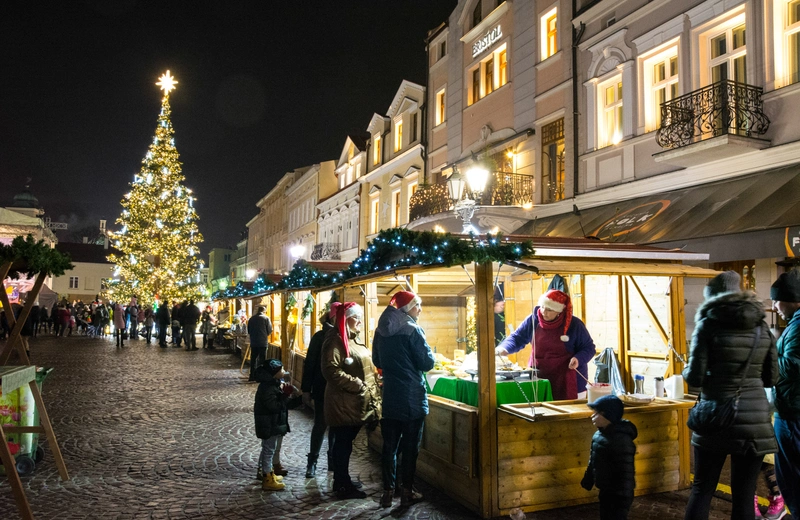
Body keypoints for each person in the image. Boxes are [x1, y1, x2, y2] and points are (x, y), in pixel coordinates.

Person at [682, 271, 778, 520]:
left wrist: (687, 369)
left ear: (711, 297)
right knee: (745, 494)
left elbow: (695, 378)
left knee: (702, 488)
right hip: (755, 422)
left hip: (716, 417)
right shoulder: (761, 326)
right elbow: (771, 378)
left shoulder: (707, 325)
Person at [372, 291, 435, 508]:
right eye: (418, 306)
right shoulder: (413, 330)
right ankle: (407, 490)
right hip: (412, 399)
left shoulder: (380, 331)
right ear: (408, 308)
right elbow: (427, 363)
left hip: (390, 396)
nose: (420, 310)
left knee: (389, 446)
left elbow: (376, 359)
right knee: (410, 447)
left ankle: (388, 491)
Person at [321, 302, 380, 500]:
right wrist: (358, 384)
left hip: (352, 402)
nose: (360, 321)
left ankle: (342, 479)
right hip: (344, 403)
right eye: (356, 317)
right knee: (343, 444)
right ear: (346, 319)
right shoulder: (335, 340)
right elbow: (331, 370)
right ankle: (342, 484)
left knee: (345, 443)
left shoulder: (352, 338)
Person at [495, 289, 597, 400]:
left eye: (549, 310)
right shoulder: (533, 320)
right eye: (542, 307)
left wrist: (578, 359)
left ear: (559, 311)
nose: (544, 312)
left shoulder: (575, 324)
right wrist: (503, 348)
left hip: (568, 378)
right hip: (540, 376)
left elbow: (589, 348)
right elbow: (517, 338)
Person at [769, 269, 800, 519]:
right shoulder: (794, 325)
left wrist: (767, 356)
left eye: (776, 300)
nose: (774, 306)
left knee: (791, 479)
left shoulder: (799, 327)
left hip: (792, 415)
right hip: (791, 410)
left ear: (791, 299)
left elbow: (792, 366)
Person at [581, 395, 637, 520]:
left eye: (597, 414)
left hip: (619, 495)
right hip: (605, 490)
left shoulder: (621, 441)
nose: (592, 416)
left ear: (609, 416)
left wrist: (624, 496)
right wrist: (588, 479)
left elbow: (626, 472)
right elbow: (594, 459)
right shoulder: (599, 435)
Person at [301, 302, 339, 478]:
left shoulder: (343, 335)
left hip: (339, 390)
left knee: (337, 427)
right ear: (332, 316)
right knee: (320, 424)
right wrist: (306, 390)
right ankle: (312, 462)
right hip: (322, 388)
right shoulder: (319, 337)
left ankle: (333, 461)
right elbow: (309, 364)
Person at [253, 359, 292, 491]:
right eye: (281, 369)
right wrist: (285, 396)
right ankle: (267, 478)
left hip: (269, 423)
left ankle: (267, 473)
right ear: (274, 373)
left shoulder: (271, 384)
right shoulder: (268, 387)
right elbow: (274, 406)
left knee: (267, 448)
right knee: (269, 450)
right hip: (269, 424)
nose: (283, 371)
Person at [247, 306, 272, 381]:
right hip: (263, 342)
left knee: (253, 359)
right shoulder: (266, 318)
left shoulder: (251, 319)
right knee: (262, 359)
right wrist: (264, 335)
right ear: (264, 311)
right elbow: (270, 330)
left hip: (254, 342)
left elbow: (249, 330)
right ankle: (261, 376)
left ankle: (252, 375)